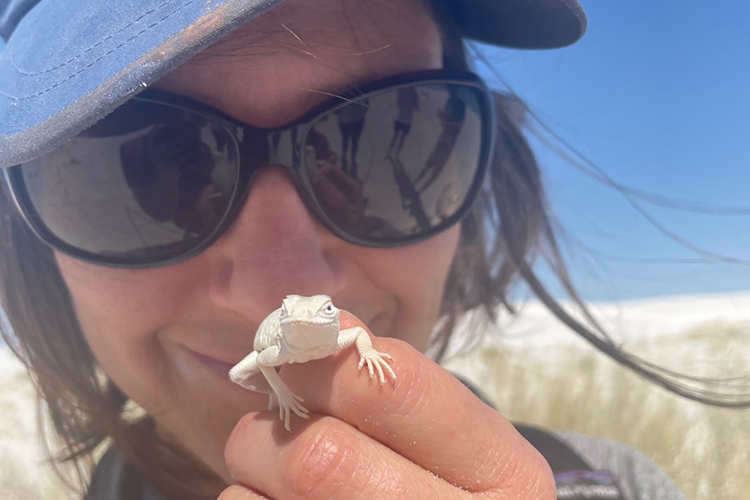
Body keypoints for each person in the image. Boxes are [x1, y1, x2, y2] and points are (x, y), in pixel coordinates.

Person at [0, 0, 694, 499]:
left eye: (389, 143)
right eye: (143, 168)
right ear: (24, 231)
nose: (278, 287)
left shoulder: (625, 488)